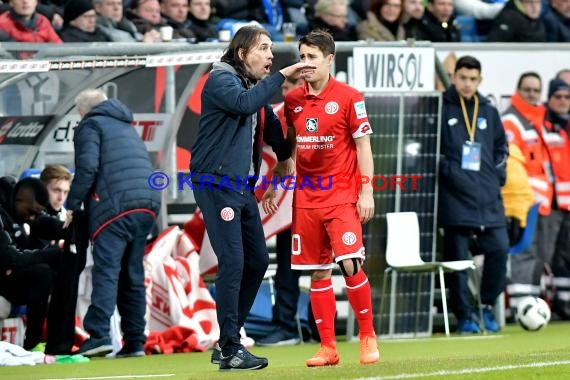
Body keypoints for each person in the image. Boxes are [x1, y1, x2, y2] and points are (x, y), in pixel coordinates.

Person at [189, 26, 315, 371]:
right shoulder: (221, 80)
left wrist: (296, 118)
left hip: (241, 187)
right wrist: (284, 76)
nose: (271, 56)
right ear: (243, 54)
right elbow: (245, 104)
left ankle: (228, 340)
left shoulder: (251, 88)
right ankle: (230, 345)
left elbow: (277, 137)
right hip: (215, 182)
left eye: (272, 49)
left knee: (258, 261)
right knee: (233, 262)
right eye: (264, 48)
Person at [264, 30, 379, 366]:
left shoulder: (349, 97)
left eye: (313, 57)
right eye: (303, 57)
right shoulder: (293, 100)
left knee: (350, 263)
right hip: (307, 199)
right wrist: (275, 183)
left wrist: (367, 190)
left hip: (342, 195)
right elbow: (291, 148)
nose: (306, 63)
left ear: (330, 59)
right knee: (317, 272)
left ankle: (367, 336)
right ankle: (328, 348)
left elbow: (363, 146)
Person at [67, 89, 161, 358]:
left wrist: (72, 206)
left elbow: (87, 168)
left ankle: (98, 336)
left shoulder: (90, 125)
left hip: (115, 207)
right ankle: (134, 341)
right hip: (147, 203)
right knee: (132, 275)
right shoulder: (126, 124)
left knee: (106, 271)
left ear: (81, 112)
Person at [438, 55, 509, 334]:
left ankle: (487, 306)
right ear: (453, 77)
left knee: (499, 250)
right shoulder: (441, 108)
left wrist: (496, 177)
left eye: (473, 79)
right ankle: (464, 316)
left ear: (480, 81)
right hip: (455, 198)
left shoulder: (489, 111)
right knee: (457, 260)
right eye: (462, 78)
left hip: (488, 197)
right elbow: (431, 151)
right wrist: (452, 173)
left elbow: (502, 149)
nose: (467, 84)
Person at [256, 73, 306, 347]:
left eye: (288, 86)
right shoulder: (280, 113)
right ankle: (287, 325)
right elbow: (278, 157)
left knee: (324, 266)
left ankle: (313, 325)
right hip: (293, 205)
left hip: (322, 198)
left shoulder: (326, 109)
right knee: (289, 265)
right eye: (283, 87)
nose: (284, 92)